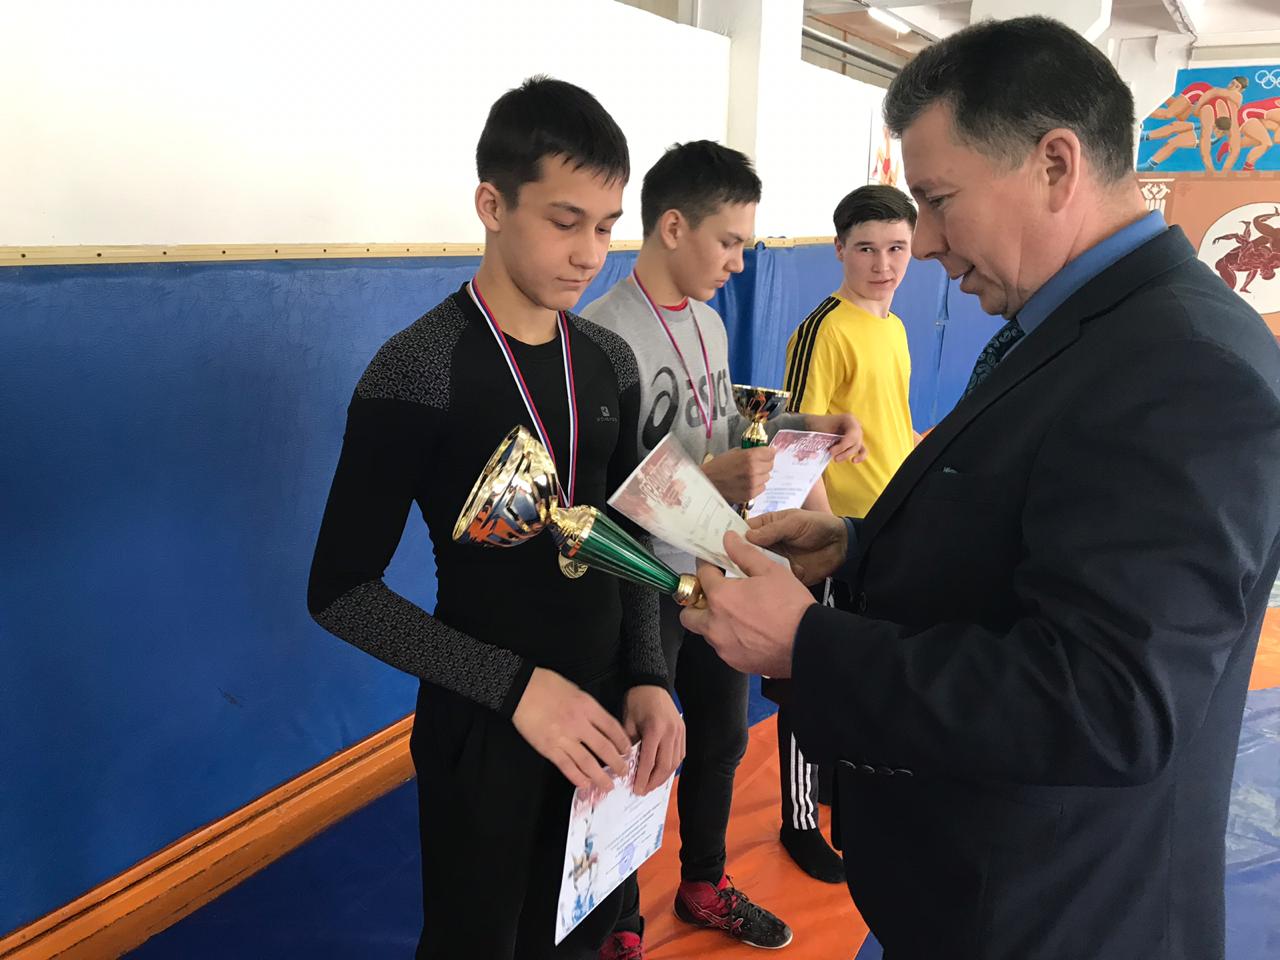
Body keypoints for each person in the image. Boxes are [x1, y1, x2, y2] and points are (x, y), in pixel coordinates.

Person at [681, 17, 1280, 960]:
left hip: (1052, 919)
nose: (921, 244)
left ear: (1055, 166)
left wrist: (810, 646)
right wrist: (857, 546)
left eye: (937, 201)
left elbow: (1108, 701)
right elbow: (1034, 536)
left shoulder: (1185, 366)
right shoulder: (1083, 328)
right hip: (969, 894)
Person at [307, 76, 684, 960]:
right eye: (565, 222)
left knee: (583, 933)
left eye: (606, 226)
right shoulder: (417, 371)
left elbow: (624, 530)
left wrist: (648, 671)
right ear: (492, 206)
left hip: (607, 714)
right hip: (486, 722)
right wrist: (515, 689)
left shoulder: (609, 360)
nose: (590, 255)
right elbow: (341, 592)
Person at [581, 139, 864, 958]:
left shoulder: (707, 321)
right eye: (729, 242)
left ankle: (704, 880)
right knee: (637, 752)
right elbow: (595, 492)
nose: (741, 262)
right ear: (673, 227)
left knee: (720, 742)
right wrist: (709, 476)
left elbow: (726, 428)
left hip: (717, 570)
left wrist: (807, 426)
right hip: (642, 582)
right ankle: (619, 920)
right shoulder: (600, 337)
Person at [768, 184, 918, 884]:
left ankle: (837, 782)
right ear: (839, 250)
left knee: (864, 667)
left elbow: (892, 426)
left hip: (883, 529)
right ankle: (799, 820)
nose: (882, 264)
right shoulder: (824, 328)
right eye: (866, 249)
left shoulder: (895, 326)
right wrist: (822, 537)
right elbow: (797, 438)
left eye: (896, 249)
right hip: (834, 535)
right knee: (810, 675)